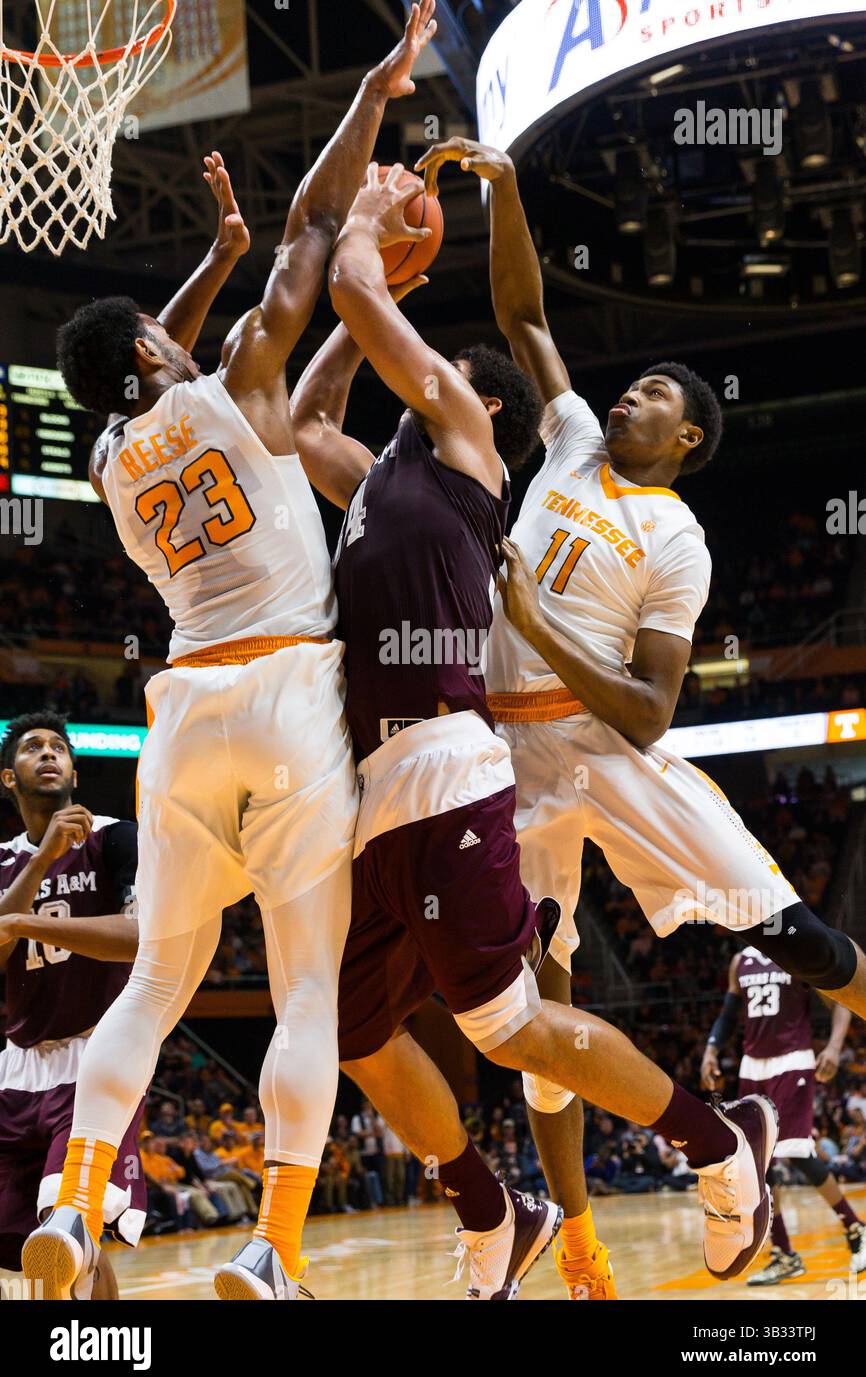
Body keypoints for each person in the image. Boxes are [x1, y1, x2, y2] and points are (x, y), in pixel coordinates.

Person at [290, 162, 780, 1300]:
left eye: (436, 371)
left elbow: (362, 301)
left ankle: (716, 1149)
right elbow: (305, 417)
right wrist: (366, 313)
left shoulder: (467, 441)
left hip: (453, 768)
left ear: (479, 400)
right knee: (351, 1027)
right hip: (376, 787)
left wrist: (361, 242)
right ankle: (490, 1209)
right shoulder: (373, 477)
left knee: (511, 1027)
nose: (422, 378)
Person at [392, 133, 866, 1298]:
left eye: (652, 394)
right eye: (632, 383)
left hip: (609, 748)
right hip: (505, 756)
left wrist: (536, 622)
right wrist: (502, 193)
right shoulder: (566, 438)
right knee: (535, 1002)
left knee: (793, 935)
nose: (627, 394)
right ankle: (578, 1227)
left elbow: (652, 710)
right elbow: (520, 314)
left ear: (686, 439)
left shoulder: (674, 536)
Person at [20, 2, 439, 1304]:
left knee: (153, 977)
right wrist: (374, 87)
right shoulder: (237, 380)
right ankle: (271, 1243)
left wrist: (214, 257)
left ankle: (76, 1210)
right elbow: (318, 226)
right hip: (283, 687)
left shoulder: (101, 453)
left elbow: (146, 356)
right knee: (308, 979)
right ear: (157, 347)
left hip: (181, 711)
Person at [0, 713, 143, 1300]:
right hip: (16, 1065)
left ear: (75, 774)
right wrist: (42, 859)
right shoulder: (5, 860)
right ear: (10, 778)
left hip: (96, 1058)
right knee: (33, 1253)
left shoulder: (115, 837)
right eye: (33, 748)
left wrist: (16, 921)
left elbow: (141, 938)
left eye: (59, 747)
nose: (48, 754)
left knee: (68, 1230)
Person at [702, 945, 866, 1283]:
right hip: (753, 1067)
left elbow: (839, 1000)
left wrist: (834, 1046)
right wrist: (710, 1050)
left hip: (792, 1061)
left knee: (798, 1153)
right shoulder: (740, 961)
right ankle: (784, 1253)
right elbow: (729, 1014)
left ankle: (856, 1230)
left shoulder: (798, 948)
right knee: (757, 1165)